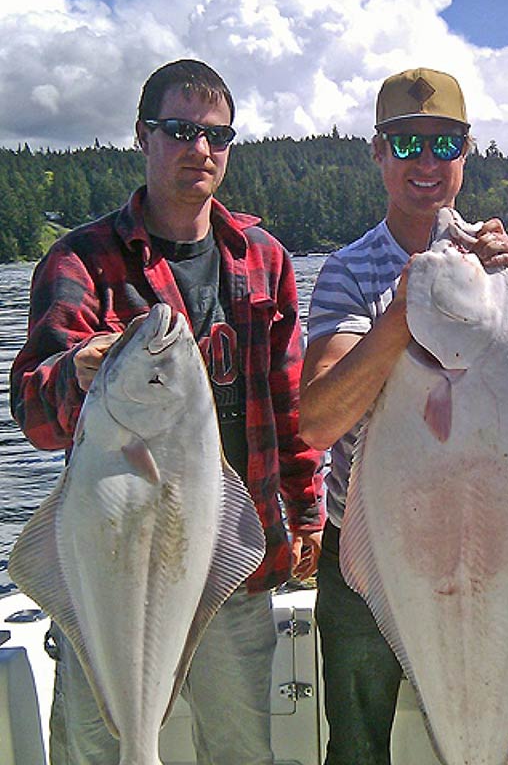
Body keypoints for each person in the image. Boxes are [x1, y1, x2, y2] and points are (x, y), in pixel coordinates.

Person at [9, 59, 324, 765]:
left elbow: (287, 400)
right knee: (97, 751)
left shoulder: (264, 259)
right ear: (142, 137)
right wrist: (77, 373)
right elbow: (32, 414)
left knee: (243, 752)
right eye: (180, 130)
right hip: (112, 565)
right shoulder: (81, 261)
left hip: (227, 562)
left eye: (217, 135)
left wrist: (306, 514)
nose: (200, 149)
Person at [300, 67, 508, 765]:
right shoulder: (349, 271)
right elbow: (318, 421)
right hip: (372, 555)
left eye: (444, 144)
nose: (426, 163)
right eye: (405, 145)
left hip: (505, 546)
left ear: (467, 153)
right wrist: (406, 312)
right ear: (377, 153)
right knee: (356, 752)